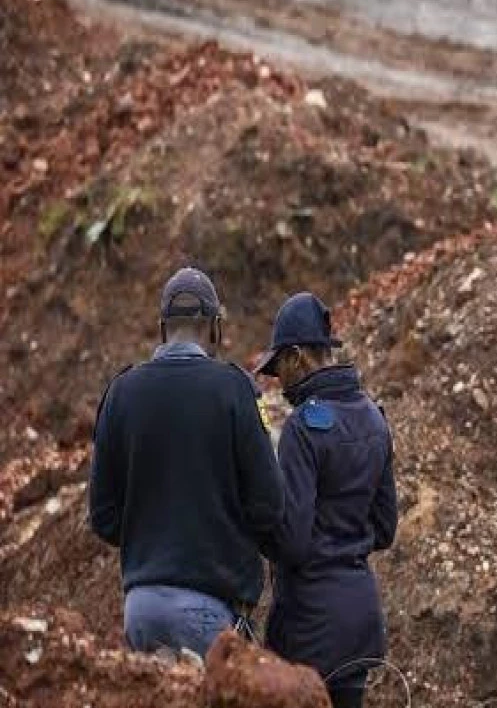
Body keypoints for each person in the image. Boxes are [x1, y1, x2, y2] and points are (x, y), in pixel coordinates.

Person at [88, 267, 283, 657]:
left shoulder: (121, 392)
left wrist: (151, 540)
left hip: (140, 609)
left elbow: (103, 516)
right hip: (209, 611)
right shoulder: (235, 389)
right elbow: (269, 506)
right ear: (215, 328)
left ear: (162, 328)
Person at [254, 292, 399, 708]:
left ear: (297, 357)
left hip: (310, 626)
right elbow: (385, 529)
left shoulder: (302, 428)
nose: (276, 380)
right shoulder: (374, 417)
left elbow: (294, 542)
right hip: (359, 620)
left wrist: (259, 529)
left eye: (278, 365)